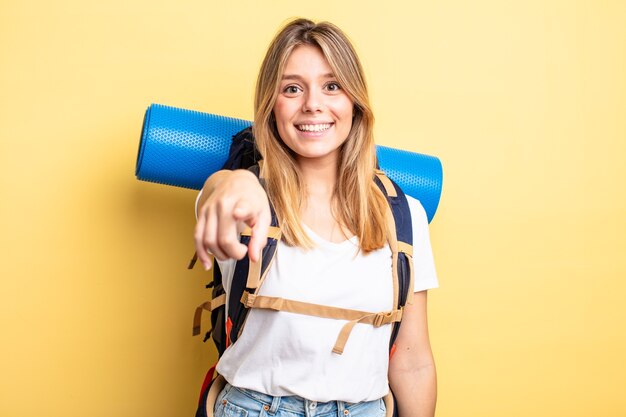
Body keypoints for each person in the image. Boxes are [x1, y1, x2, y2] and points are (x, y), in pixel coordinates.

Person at [193, 18, 438, 417]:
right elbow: (218, 193)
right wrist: (234, 182)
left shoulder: (405, 216)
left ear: (354, 102)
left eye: (332, 86)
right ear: (272, 105)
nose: (312, 104)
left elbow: (413, 359)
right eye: (292, 88)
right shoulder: (241, 201)